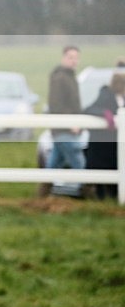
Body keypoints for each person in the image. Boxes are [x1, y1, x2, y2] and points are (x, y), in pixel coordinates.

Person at [40, 46, 86, 196]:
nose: (74, 61)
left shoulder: (70, 76)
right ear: (64, 58)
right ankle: (87, 192)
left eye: (76, 58)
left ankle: (43, 194)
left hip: (66, 128)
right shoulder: (60, 78)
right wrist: (70, 122)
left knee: (54, 162)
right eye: (71, 57)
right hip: (64, 128)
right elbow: (56, 104)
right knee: (78, 160)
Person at [84, 73, 125, 200]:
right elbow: (89, 109)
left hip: (116, 146)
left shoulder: (122, 97)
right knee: (101, 178)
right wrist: (105, 113)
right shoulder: (105, 94)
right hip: (102, 146)